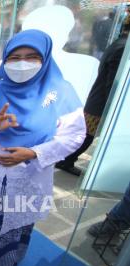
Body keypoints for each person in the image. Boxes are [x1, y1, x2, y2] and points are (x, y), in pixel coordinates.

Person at [0, 30, 86, 266]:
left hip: (28, 174)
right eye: (14, 57)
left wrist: (32, 152)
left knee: (17, 220)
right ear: (4, 59)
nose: (22, 63)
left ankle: (6, 263)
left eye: (32, 57)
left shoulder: (61, 92)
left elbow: (74, 135)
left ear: (45, 59)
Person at [56, 15, 130, 176]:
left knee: (87, 135)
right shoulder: (123, 48)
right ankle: (65, 160)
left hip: (99, 100)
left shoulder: (119, 44)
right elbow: (113, 82)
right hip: (101, 102)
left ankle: (66, 160)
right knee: (86, 136)